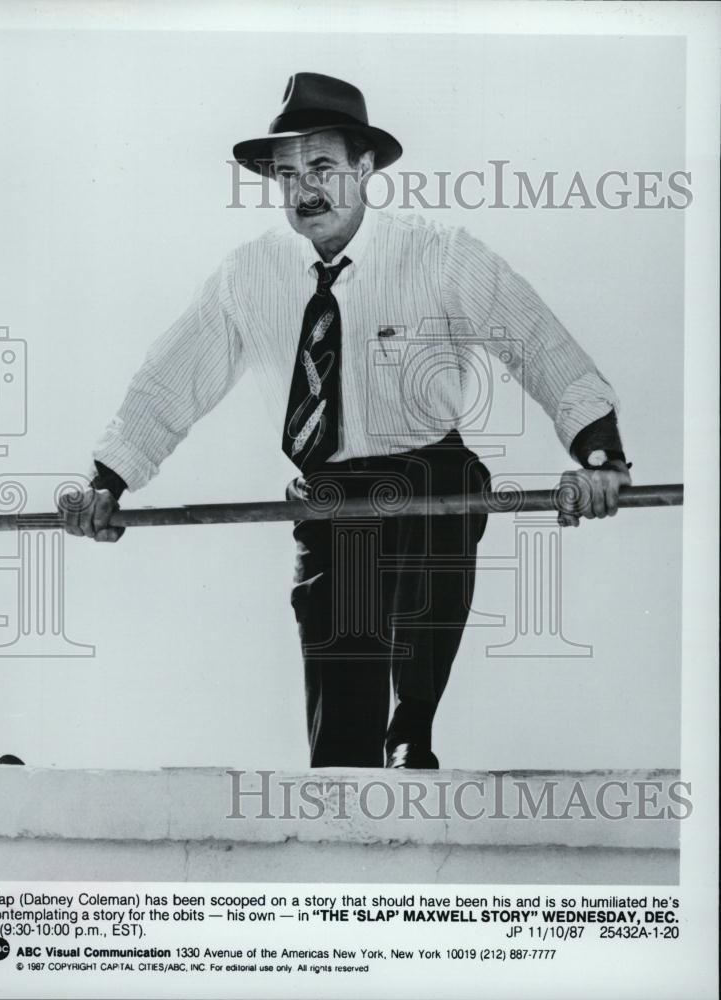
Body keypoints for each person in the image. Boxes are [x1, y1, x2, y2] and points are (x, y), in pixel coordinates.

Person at [61, 73, 631, 770]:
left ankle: (410, 730)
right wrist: (105, 483)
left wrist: (599, 457)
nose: (307, 189)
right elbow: (168, 382)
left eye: (325, 167)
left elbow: (541, 345)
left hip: (428, 476)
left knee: (437, 502)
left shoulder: (439, 254)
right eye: (289, 173)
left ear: (364, 169)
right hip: (331, 494)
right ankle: (347, 792)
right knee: (340, 722)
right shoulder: (248, 276)